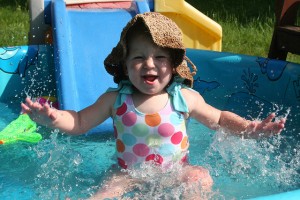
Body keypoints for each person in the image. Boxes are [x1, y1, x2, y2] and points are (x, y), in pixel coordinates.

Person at [21, 12, 286, 199]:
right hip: (128, 174)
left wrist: (248, 128)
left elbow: (218, 119)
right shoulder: (115, 100)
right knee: (103, 193)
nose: (149, 64)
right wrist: (54, 119)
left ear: (172, 65)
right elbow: (79, 122)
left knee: (200, 178)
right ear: (125, 65)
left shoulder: (183, 98)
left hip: (178, 171)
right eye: (138, 57)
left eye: (159, 57)